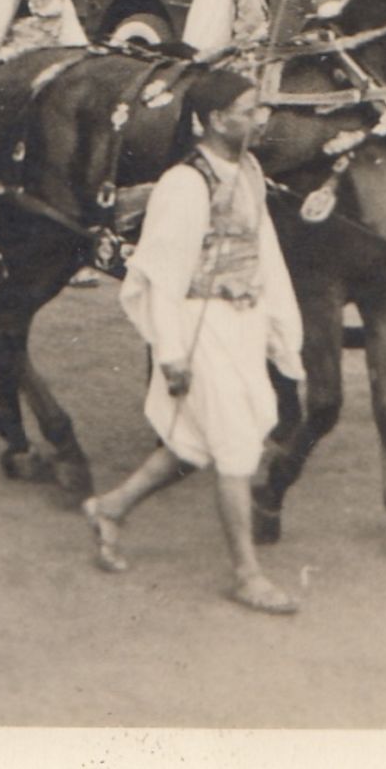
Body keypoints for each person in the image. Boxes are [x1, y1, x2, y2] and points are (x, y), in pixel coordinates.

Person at [81, 70, 304, 614]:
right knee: (234, 449)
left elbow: (265, 251)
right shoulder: (185, 184)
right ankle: (247, 574)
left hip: (243, 323)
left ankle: (110, 508)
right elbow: (161, 273)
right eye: (248, 110)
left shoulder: (249, 170)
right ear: (211, 120)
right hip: (200, 325)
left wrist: (281, 330)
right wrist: (172, 352)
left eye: (259, 109)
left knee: (193, 445)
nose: (260, 119)